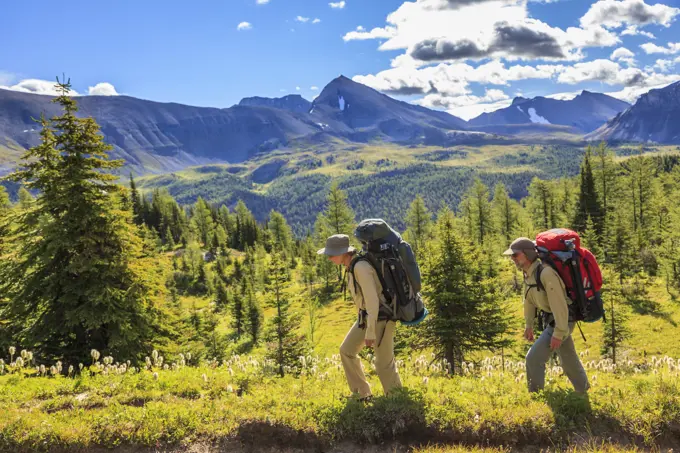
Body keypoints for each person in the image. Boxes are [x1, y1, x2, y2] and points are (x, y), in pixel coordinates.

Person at [318, 233, 402, 400]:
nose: (329, 258)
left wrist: (370, 332)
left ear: (343, 253)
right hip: (367, 318)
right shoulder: (352, 266)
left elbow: (372, 302)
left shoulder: (360, 268)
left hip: (381, 318)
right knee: (346, 351)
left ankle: (397, 401)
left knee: (383, 364)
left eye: (331, 254)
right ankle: (362, 395)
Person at [504, 237, 589, 394]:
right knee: (568, 358)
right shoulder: (529, 273)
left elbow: (560, 305)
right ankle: (583, 390)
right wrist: (529, 325)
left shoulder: (546, 273)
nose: (512, 259)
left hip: (562, 320)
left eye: (515, 255)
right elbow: (529, 300)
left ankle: (536, 396)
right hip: (555, 320)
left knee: (533, 359)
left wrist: (558, 332)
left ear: (527, 254)